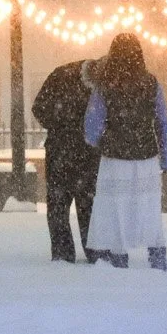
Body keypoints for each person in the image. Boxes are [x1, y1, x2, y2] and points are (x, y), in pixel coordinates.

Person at [85, 33, 167, 271]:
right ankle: (157, 257)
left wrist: (103, 140)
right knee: (149, 209)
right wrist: (166, 157)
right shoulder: (151, 83)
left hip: (115, 157)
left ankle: (119, 259)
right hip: (145, 156)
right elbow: (163, 122)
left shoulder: (105, 85)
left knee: (117, 210)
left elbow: (92, 126)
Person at [33, 56, 104, 264]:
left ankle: (64, 253)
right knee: (85, 204)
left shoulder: (60, 76)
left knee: (60, 205)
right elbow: (40, 108)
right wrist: (67, 126)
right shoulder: (64, 76)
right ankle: (92, 252)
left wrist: (59, 126)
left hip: (62, 151)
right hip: (81, 153)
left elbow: (39, 108)